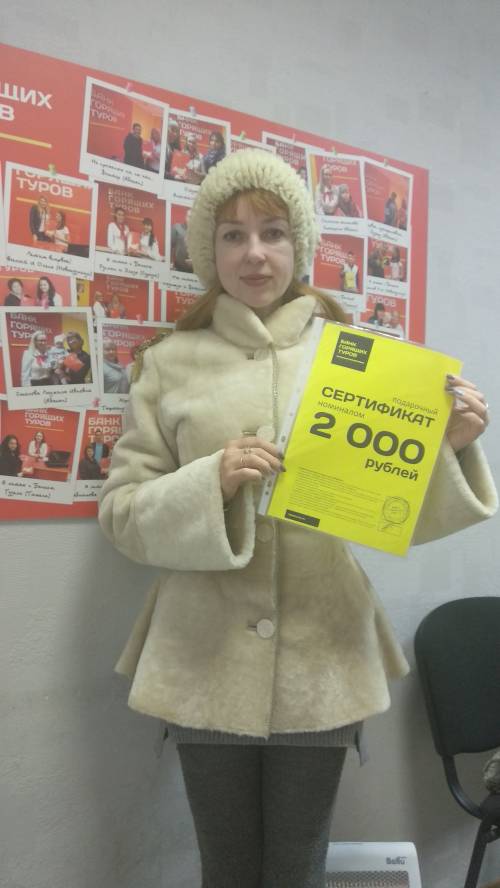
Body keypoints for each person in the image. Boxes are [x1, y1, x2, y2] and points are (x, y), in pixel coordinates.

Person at [98, 150, 496, 888]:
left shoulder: (363, 362)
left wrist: (450, 448)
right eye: (233, 235)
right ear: (209, 251)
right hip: (201, 659)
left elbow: (395, 515)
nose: (254, 253)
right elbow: (122, 514)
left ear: (299, 246)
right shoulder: (168, 363)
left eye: (273, 232)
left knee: (296, 871)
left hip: (325, 656)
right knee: (225, 870)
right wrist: (211, 481)